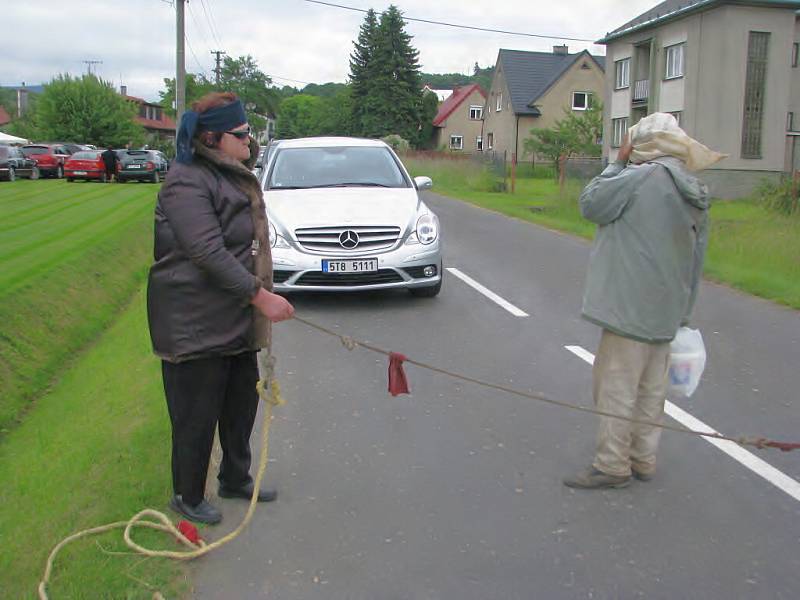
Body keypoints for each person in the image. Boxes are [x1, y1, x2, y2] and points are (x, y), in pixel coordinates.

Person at [147, 92, 295, 524]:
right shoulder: (186, 181)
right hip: (193, 320)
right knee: (196, 416)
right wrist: (261, 296)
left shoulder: (229, 174)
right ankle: (187, 495)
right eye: (242, 134)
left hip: (232, 316)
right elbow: (207, 252)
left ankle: (235, 477)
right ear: (213, 138)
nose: (250, 140)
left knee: (238, 405)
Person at [564, 113, 726, 490]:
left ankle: (611, 464)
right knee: (652, 390)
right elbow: (696, 259)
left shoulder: (637, 177)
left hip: (627, 308)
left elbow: (591, 205)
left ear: (641, 143)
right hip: (668, 310)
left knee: (617, 387)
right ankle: (643, 458)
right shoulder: (694, 190)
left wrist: (617, 162)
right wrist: (684, 313)